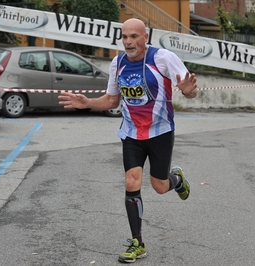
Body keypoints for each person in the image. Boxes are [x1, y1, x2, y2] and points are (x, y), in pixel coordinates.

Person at [58, 18, 197, 263]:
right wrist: (88, 103)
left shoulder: (163, 58)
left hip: (160, 132)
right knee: (131, 180)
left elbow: (191, 89)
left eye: (134, 37)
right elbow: (112, 101)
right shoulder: (118, 63)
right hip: (131, 133)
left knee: (159, 186)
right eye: (124, 37)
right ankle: (137, 242)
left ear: (145, 37)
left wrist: (187, 90)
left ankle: (176, 180)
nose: (128, 42)